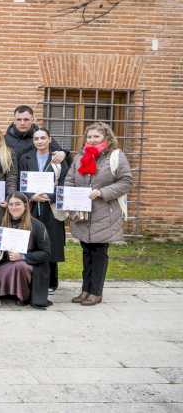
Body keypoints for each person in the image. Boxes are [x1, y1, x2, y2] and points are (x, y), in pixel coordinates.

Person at [64, 121, 132, 306]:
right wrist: (71, 201)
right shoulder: (80, 157)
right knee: (86, 252)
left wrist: (102, 192)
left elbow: (126, 181)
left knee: (99, 253)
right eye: (89, 136)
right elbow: (70, 180)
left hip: (104, 213)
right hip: (82, 214)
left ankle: (96, 292)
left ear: (106, 138)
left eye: (97, 136)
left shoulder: (116, 156)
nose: (92, 140)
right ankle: (85, 290)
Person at [19, 127, 69, 293]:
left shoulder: (58, 159)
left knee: (52, 242)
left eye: (42, 138)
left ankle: (51, 282)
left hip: (51, 207)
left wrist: (52, 196)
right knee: (33, 241)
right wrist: (31, 196)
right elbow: (21, 180)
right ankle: (33, 279)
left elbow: (65, 182)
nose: (39, 141)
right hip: (32, 206)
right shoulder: (26, 158)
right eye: (36, 139)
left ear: (49, 139)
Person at [0, 192, 52, 309]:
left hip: (31, 263)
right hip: (6, 261)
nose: (14, 207)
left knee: (19, 266)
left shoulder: (37, 225)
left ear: (25, 205)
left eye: (17, 204)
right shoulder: (4, 223)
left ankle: (23, 296)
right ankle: (9, 293)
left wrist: (23, 256)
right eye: (11, 204)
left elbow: (46, 254)